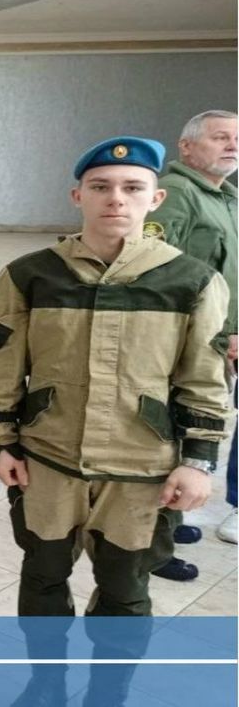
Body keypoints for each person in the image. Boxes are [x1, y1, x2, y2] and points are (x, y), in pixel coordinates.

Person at [0, 136, 231, 706]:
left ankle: (107, 693)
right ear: (78, 196)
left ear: (156, 198)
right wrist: (0, 441)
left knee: (124, 592)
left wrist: (198, 462)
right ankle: (46, 685)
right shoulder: (31, 275)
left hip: (140, 470)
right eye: (100, 187)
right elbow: (3, 365)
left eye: (132, 187)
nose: (116, 198)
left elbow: (205, 377)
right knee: (42, 579)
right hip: (48, 463)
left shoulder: (190, 281)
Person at [145, 110, 238, 558]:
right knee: (171, 432)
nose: (232, 146)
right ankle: (153, 538)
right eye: (220, 137)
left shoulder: (226, 198)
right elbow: (155, 270)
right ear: (186, 146)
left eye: (237, 139)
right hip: (186, 342)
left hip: (220, 340)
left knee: (192, 432)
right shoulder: (178, 195)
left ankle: (170, 518)